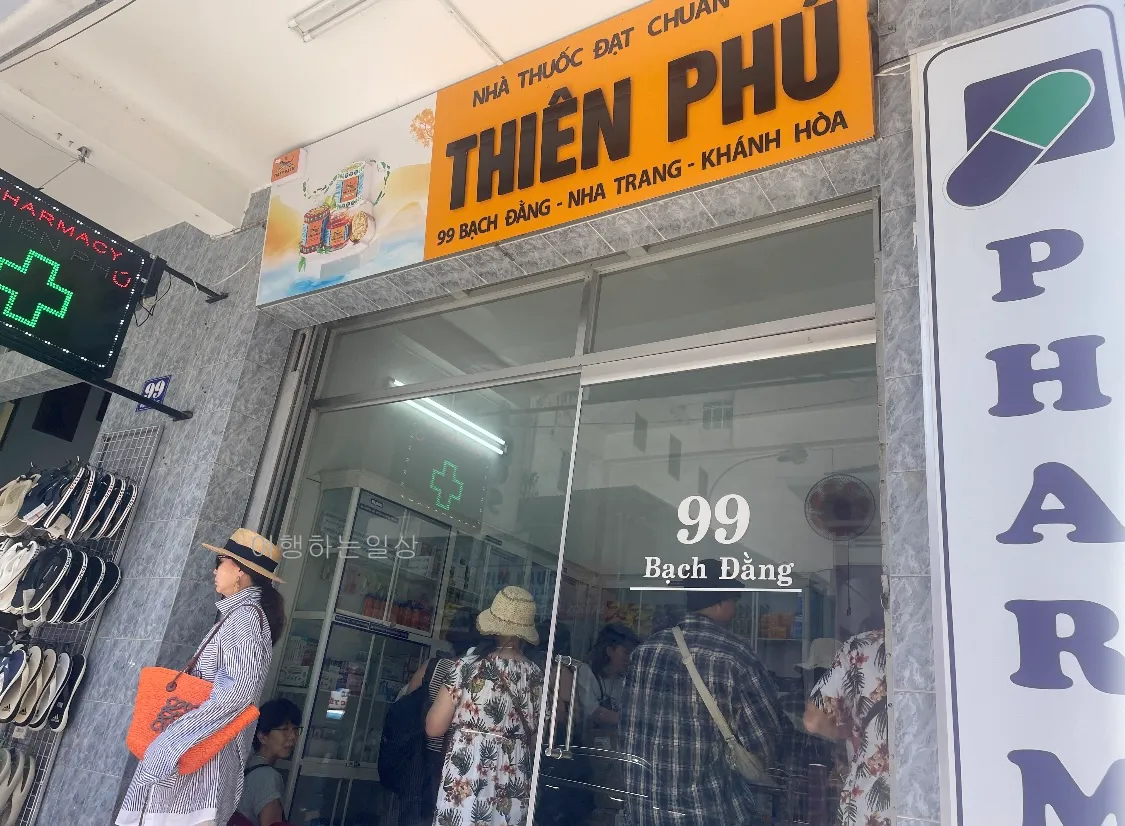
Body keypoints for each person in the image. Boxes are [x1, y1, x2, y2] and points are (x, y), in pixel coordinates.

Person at [116, 529, 287, 826]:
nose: (214, 570)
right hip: (199, 760)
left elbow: (237, 692)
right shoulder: (242, 615)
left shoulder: (245, 617)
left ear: (241, 571)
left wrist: (172, 741)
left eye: (221, 561)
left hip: (201, 763)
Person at [620, 558, 785, 826]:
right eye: (734, 600)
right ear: (721, 602)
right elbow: (763, 742)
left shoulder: (644, 651)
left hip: (645, 811)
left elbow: (626, 726)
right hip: (708, 812)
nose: (735, 609)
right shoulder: (735, 656)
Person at [426, 587, 543, 826]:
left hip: (468, 770)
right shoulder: (535, 675)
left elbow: (434, 727)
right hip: (514, 772)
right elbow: (534, 740)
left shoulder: (466, 667)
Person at [384, 609, 480, 826]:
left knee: (414, 816)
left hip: (419, 756)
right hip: (453, 762)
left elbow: (405, 707)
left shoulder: (432, 667)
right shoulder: (475, 673)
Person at [803, 628, 890, 826]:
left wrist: (848, 731)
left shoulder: (865, 646)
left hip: (870, 809)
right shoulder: (954, 646)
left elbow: (813, 721)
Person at [233, 698, 301, 826]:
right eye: (285, 729)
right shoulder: (268, 776)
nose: (292, 736)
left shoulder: (246, 764)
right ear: (262, 737)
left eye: (295, 729)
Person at [575, 623, 639, 746]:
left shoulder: (623, 680)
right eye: (626, 652)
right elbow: (596, 714)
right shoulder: (585, 672)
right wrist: (634, 721)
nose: (630, 658)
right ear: (609, 651)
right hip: (584, 747)